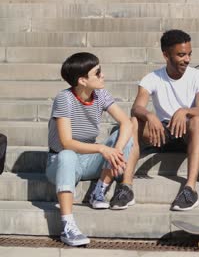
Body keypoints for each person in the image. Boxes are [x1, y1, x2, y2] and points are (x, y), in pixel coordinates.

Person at [46, 52, 134, 246]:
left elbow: (126, 122)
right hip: (61, 163)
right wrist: (102, 149)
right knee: (68, 154)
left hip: (88, 160)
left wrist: (115, 151)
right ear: (82, 80)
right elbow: (66, 142)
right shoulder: (64, 99)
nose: (103, 75)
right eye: (98, 72)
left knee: (126, 136)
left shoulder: (100, 94)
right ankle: (68, 226)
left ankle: (99, 191)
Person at [128, 29, 199, 211]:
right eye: (181, 55)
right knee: (134, 122)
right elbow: (136, 107)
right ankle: (126, 187)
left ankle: (190, 189)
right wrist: (149, 116)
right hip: (163, 133)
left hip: (190, 131)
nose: (187, 59)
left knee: (197, 120)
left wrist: (185, 111)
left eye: (189, 54)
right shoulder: (152, 78)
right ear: (166, 55)